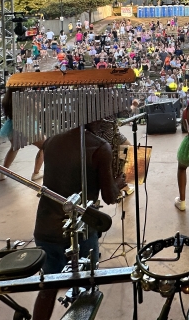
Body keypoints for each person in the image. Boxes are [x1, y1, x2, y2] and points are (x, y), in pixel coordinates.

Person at [32, 122, 122, 320]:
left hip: (46, 229)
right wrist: (119, 182)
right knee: (86, 293)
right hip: (80, 233)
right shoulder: (99, 147)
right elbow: (109, 196)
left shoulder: (52, 141)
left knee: (47, 287)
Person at [0, 88, 45, 182]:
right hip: (26, 125)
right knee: (44, 145)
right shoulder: (24, 98)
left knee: (14, 147)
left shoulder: (7, 98)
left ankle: (2, 173)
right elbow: (36, 110)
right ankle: (36, 173)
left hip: (12, 125)